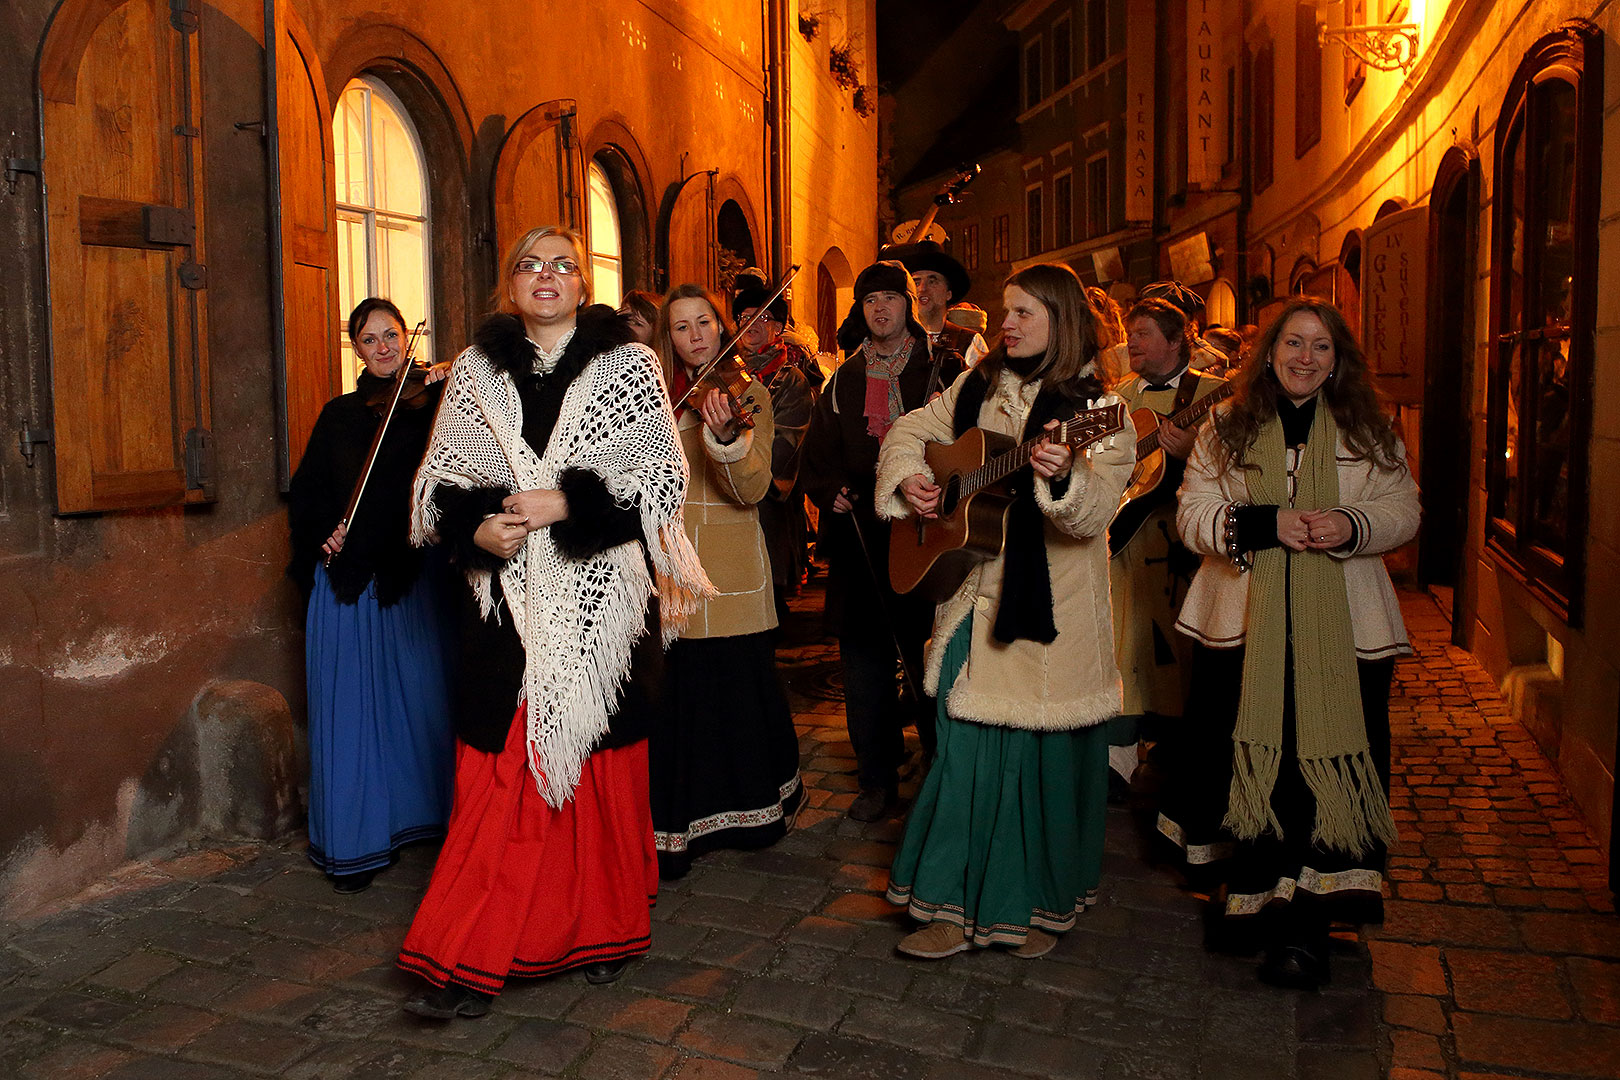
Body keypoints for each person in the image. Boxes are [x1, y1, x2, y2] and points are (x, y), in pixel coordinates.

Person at [397, 226, 711, 1018]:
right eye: (530, 265)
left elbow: (661, 483)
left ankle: (602, 929)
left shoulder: (629, 367)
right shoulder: (473, 372)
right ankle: (469, 955)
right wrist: (476, 526)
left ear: (583, 282)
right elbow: (440, 483)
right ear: (511, 286)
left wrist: (567, 503)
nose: (547, 276)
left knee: (599, 762)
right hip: (506, 608)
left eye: (562, 265)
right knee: (505, 769)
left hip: (603, 606)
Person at [876, 262, 1136, 959]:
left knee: (1031, 764)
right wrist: (913, 482)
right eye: (1007, 310)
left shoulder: (1101, 413)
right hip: (970, 599)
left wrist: (1066, 478)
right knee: (959, 751)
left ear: (1062, 319)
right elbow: (909, 432)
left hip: (1048, 613)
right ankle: (947, 908)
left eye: (1023, 312)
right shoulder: (976, 385)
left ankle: (1031, 910)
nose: (1007, 323)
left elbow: (1091, 516)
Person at [1162, 296, 1417, 990]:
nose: (1306, 358)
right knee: (1255, 768)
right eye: (1294, 344)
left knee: (1320, 774)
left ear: (1339, 361)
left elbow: (1403, 508)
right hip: (1244, 628)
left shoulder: (1371, 428)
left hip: (1346, 632)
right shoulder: (1225, 425)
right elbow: (1192, 513)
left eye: (1322, 347)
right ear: (1270, 351)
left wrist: (1349, 524)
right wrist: (1260, 524)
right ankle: (1254, 900)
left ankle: (1307, 924)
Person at [286, 298, 454, 893]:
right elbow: (307, 494)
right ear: (354, 348)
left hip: (414, 573)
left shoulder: (435, 404)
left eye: (392, 335)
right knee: (355, 710)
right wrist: (327, 528)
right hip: (352, 574)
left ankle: (427, 821)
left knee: (423, 705)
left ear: (406, 335)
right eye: (369, 339)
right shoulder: (339, 414)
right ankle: (357, 838)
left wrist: (453, 386)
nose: (384, 348)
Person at [651, 283, 804, 879]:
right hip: (670, 573)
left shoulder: (748, 394)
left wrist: (723, 441)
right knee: (679, 706)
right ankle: (679, 826)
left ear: (720, 328)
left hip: (731, 571)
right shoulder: (650, 397)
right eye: (682, 327)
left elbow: (754, 490)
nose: (695, 337)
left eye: (705, 324)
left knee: (737, 701)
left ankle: (752, 817)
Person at [801, 261, 963, 821]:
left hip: (927, 534)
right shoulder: (843, 379)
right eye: (871, 301)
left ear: (909, 305)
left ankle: (942, 771)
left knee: (931, 660)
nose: (881, 309)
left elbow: (969, 444)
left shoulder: (944, 367)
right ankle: (877, 779)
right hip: (861, 540)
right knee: (865, 665)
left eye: (891, 298)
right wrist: (828, 492)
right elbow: (818, 454)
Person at [1105, 299, 1227, 792]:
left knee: (1183, 647)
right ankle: (1115, 760)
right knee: (1123, 645)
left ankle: (1182, 756)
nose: (1131, 341)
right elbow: (1094, 460)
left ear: (1177, 341)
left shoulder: (1218, 395)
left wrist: (1194, 451)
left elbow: (1242, 468)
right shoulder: (1115, 397)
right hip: (1126, 542)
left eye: (1144, 333)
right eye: (1130, 332)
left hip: (1185, 547)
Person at [733, 285, 816, 624]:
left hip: (765, 490)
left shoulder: (791, 378)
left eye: (762, 317)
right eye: (744, 317)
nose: (751, 324)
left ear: (778, 328)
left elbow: (787, 439)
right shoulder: (725, 370)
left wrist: (744, 466)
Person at [884, 240, 988, 367]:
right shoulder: (892, 340)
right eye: (916, 282)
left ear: (948, 293)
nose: (922, 288)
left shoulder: (969, 342)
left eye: (932, 281)